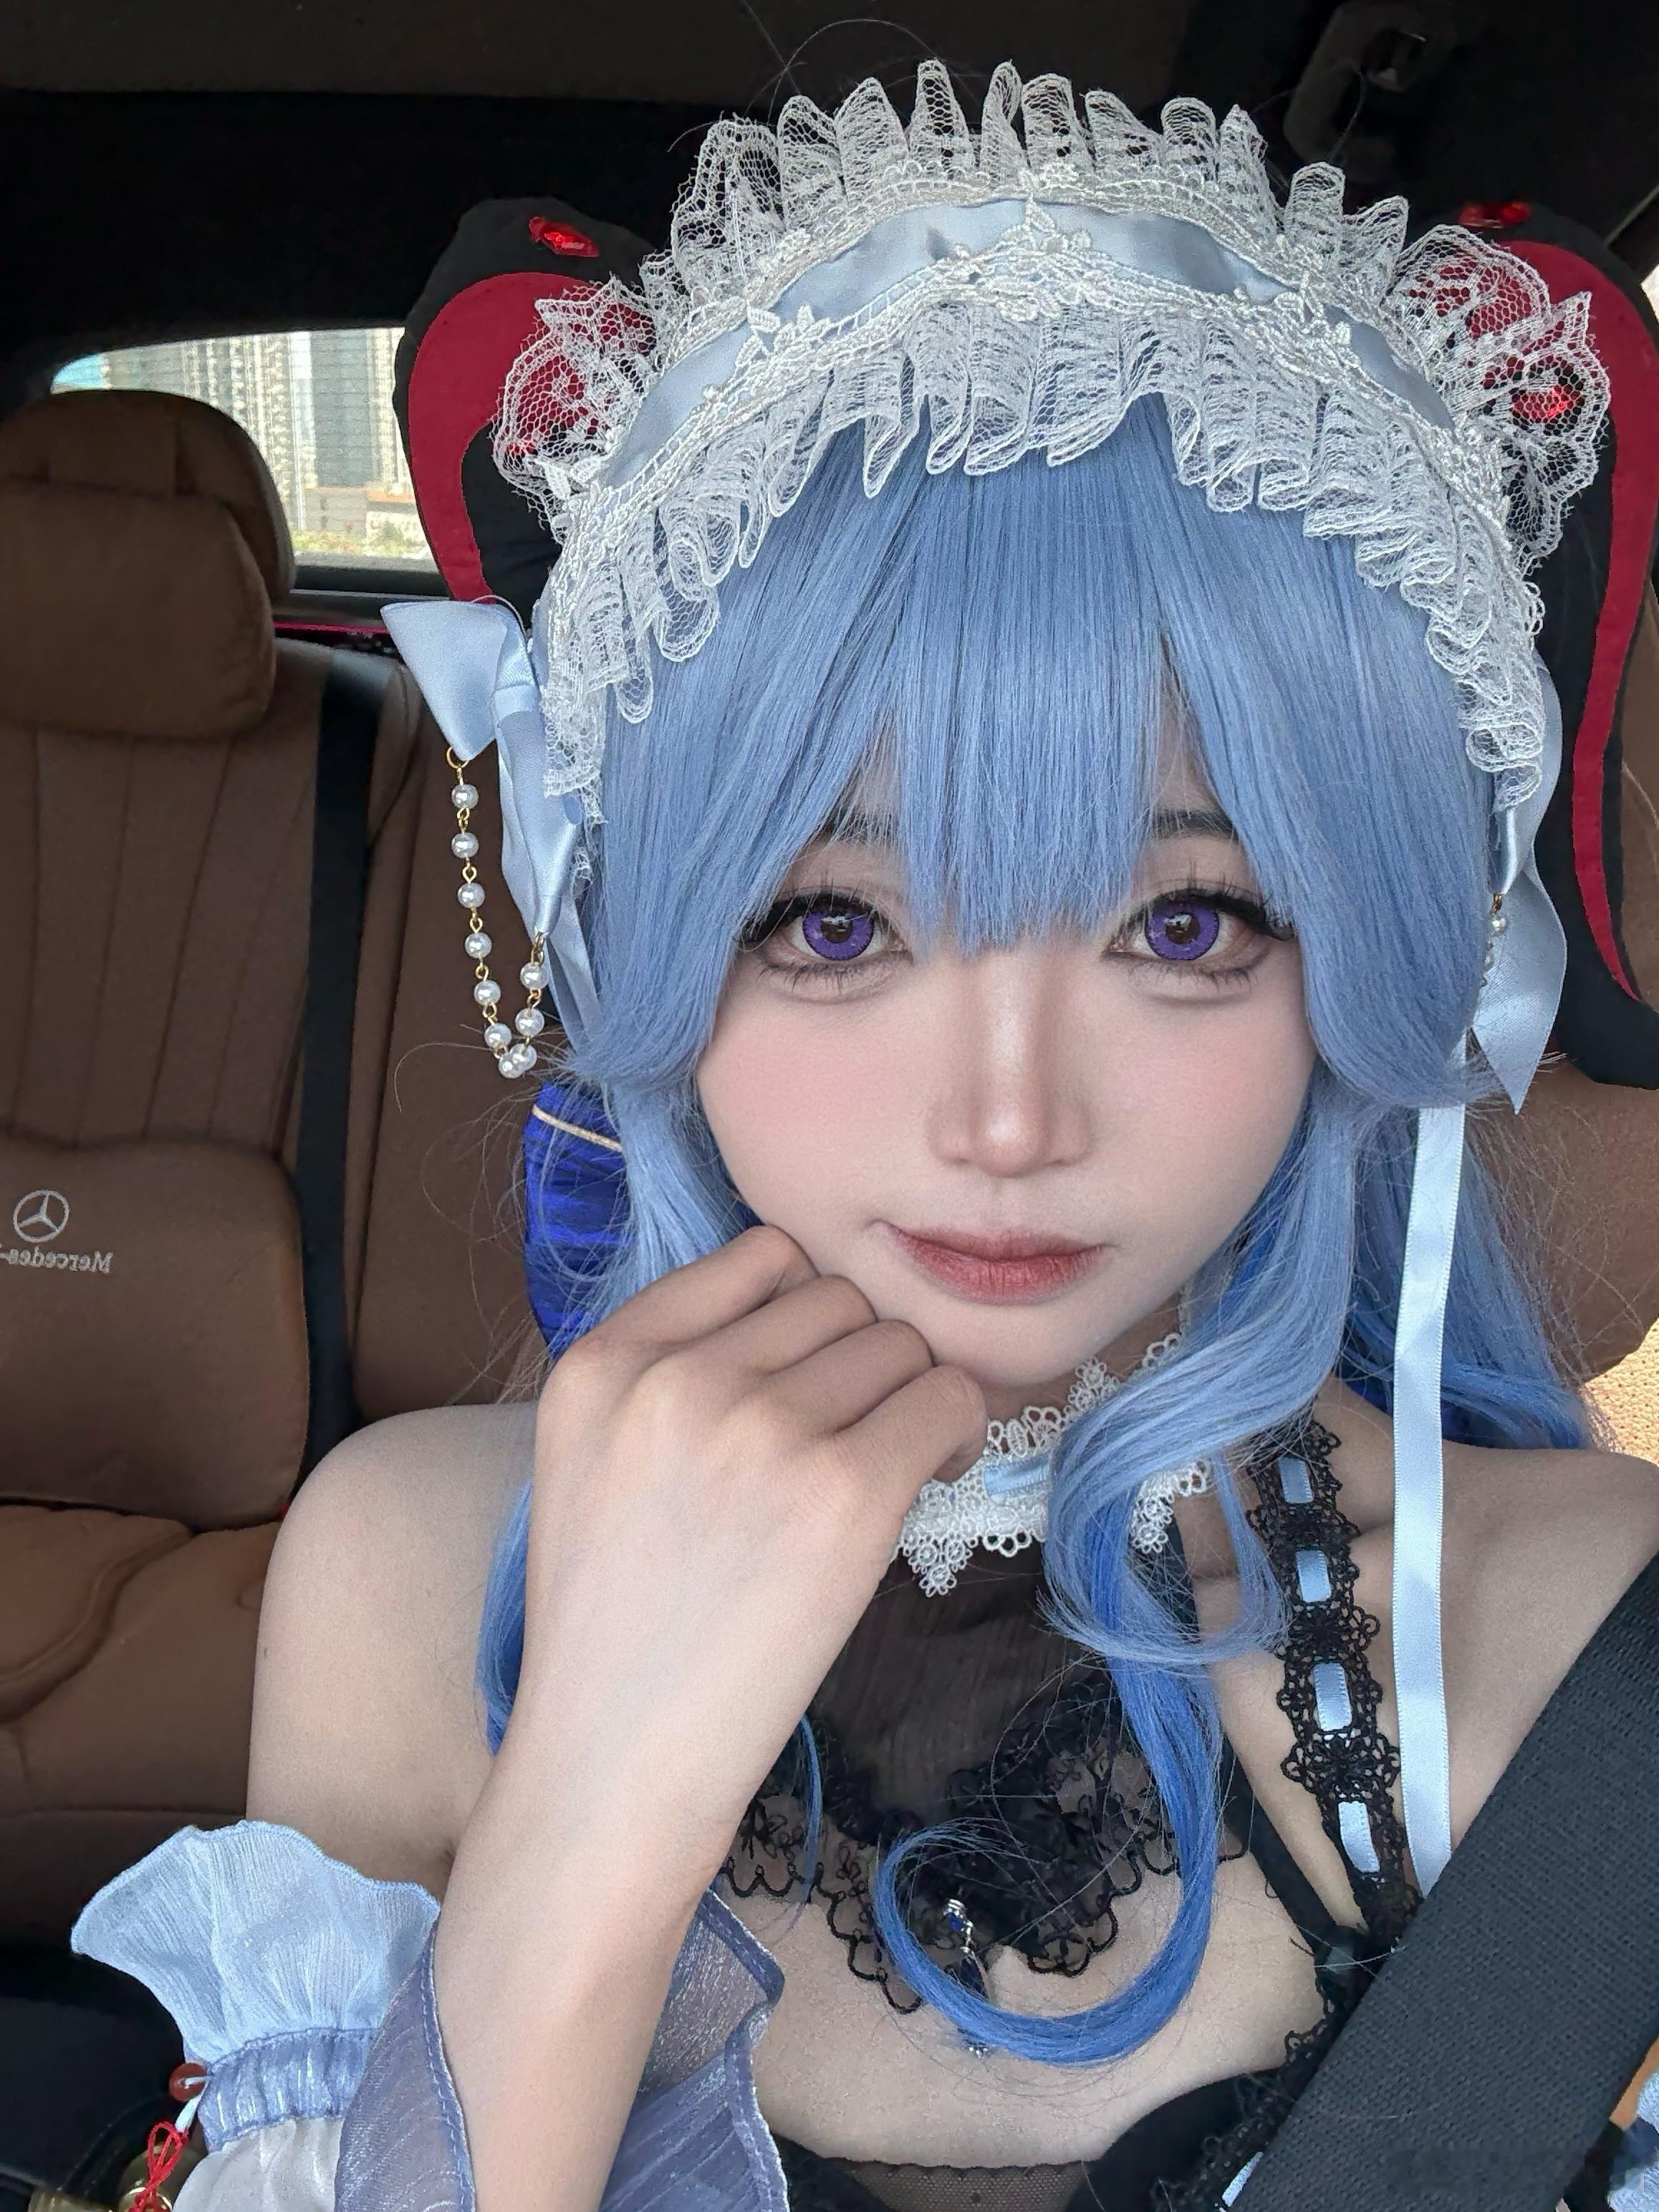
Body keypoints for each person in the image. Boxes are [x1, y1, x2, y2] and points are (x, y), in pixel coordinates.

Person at [69, 62, 1659, 2212]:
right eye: (834, 923)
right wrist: (585, 1818)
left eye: (1185, 923)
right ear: (650, 942)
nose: (1005, 1118)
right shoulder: (409, 1579)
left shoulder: (1572, 1643)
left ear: (1373, 952)